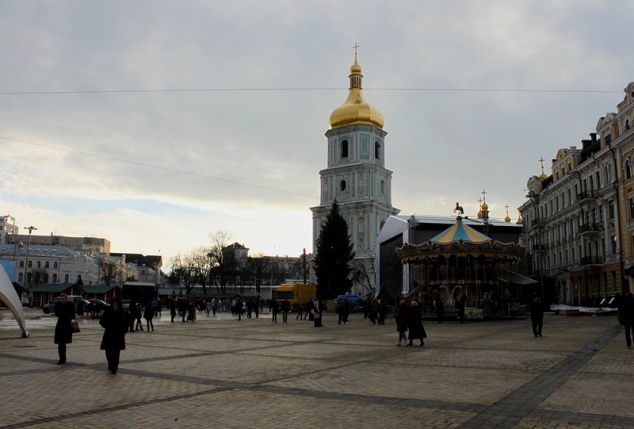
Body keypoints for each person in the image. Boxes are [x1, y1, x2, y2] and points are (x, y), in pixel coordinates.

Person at [99, 296, 128, 375]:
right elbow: (101, 321)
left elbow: (126, 322)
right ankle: (110, 363)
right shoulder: (108, 311)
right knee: (108, 351)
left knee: (116, 352)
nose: (115, 305)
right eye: (114, 303)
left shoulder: (122, 312)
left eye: (116, 303)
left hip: (118, 335)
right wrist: (107, 326)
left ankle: (114, 368)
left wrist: (124, 330)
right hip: (109, 334)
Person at [54, 294, 76, 364]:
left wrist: (74, 325)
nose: (62, 300)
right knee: (60, 343)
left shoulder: (70, 305)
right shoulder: (58, 305)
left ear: (66, 299)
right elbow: (57, 313)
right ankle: (62, 358)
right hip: (60, 325)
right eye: (61, 299)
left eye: (63, 299)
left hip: (67, 326)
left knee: (63, 342)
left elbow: (72, 315)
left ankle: (63, 358)